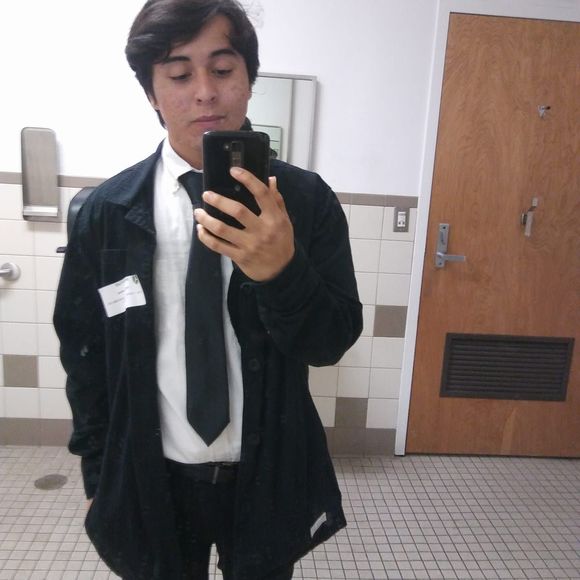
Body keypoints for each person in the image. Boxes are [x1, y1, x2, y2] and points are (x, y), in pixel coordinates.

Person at [53, 0, 362, 578]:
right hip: (153, 475)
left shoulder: (305, 201)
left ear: (249, 79)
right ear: (151, 92)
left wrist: (282, 270)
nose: (205, 93)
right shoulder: (108, 213)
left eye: (222, 70)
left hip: (266, 474)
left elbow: (330, 342)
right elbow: (85, 356)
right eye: (178, 74)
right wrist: (99, 478)